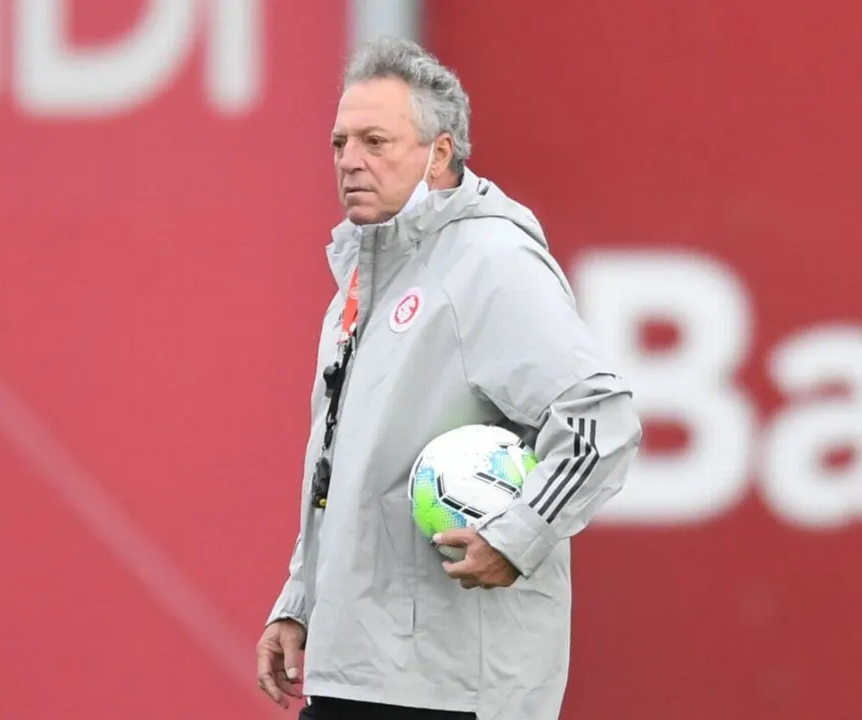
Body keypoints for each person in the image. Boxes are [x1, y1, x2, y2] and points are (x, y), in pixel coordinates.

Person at [256, 37, 643, 720]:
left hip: (451, 684)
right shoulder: (364, 278)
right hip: (357, 672)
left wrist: (517, 537)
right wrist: (301, 602)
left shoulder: (490, 262)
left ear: (438, 155)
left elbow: (598, 421)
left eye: (376, 141)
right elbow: (341, 473)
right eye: (340, 142)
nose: (349, 160)